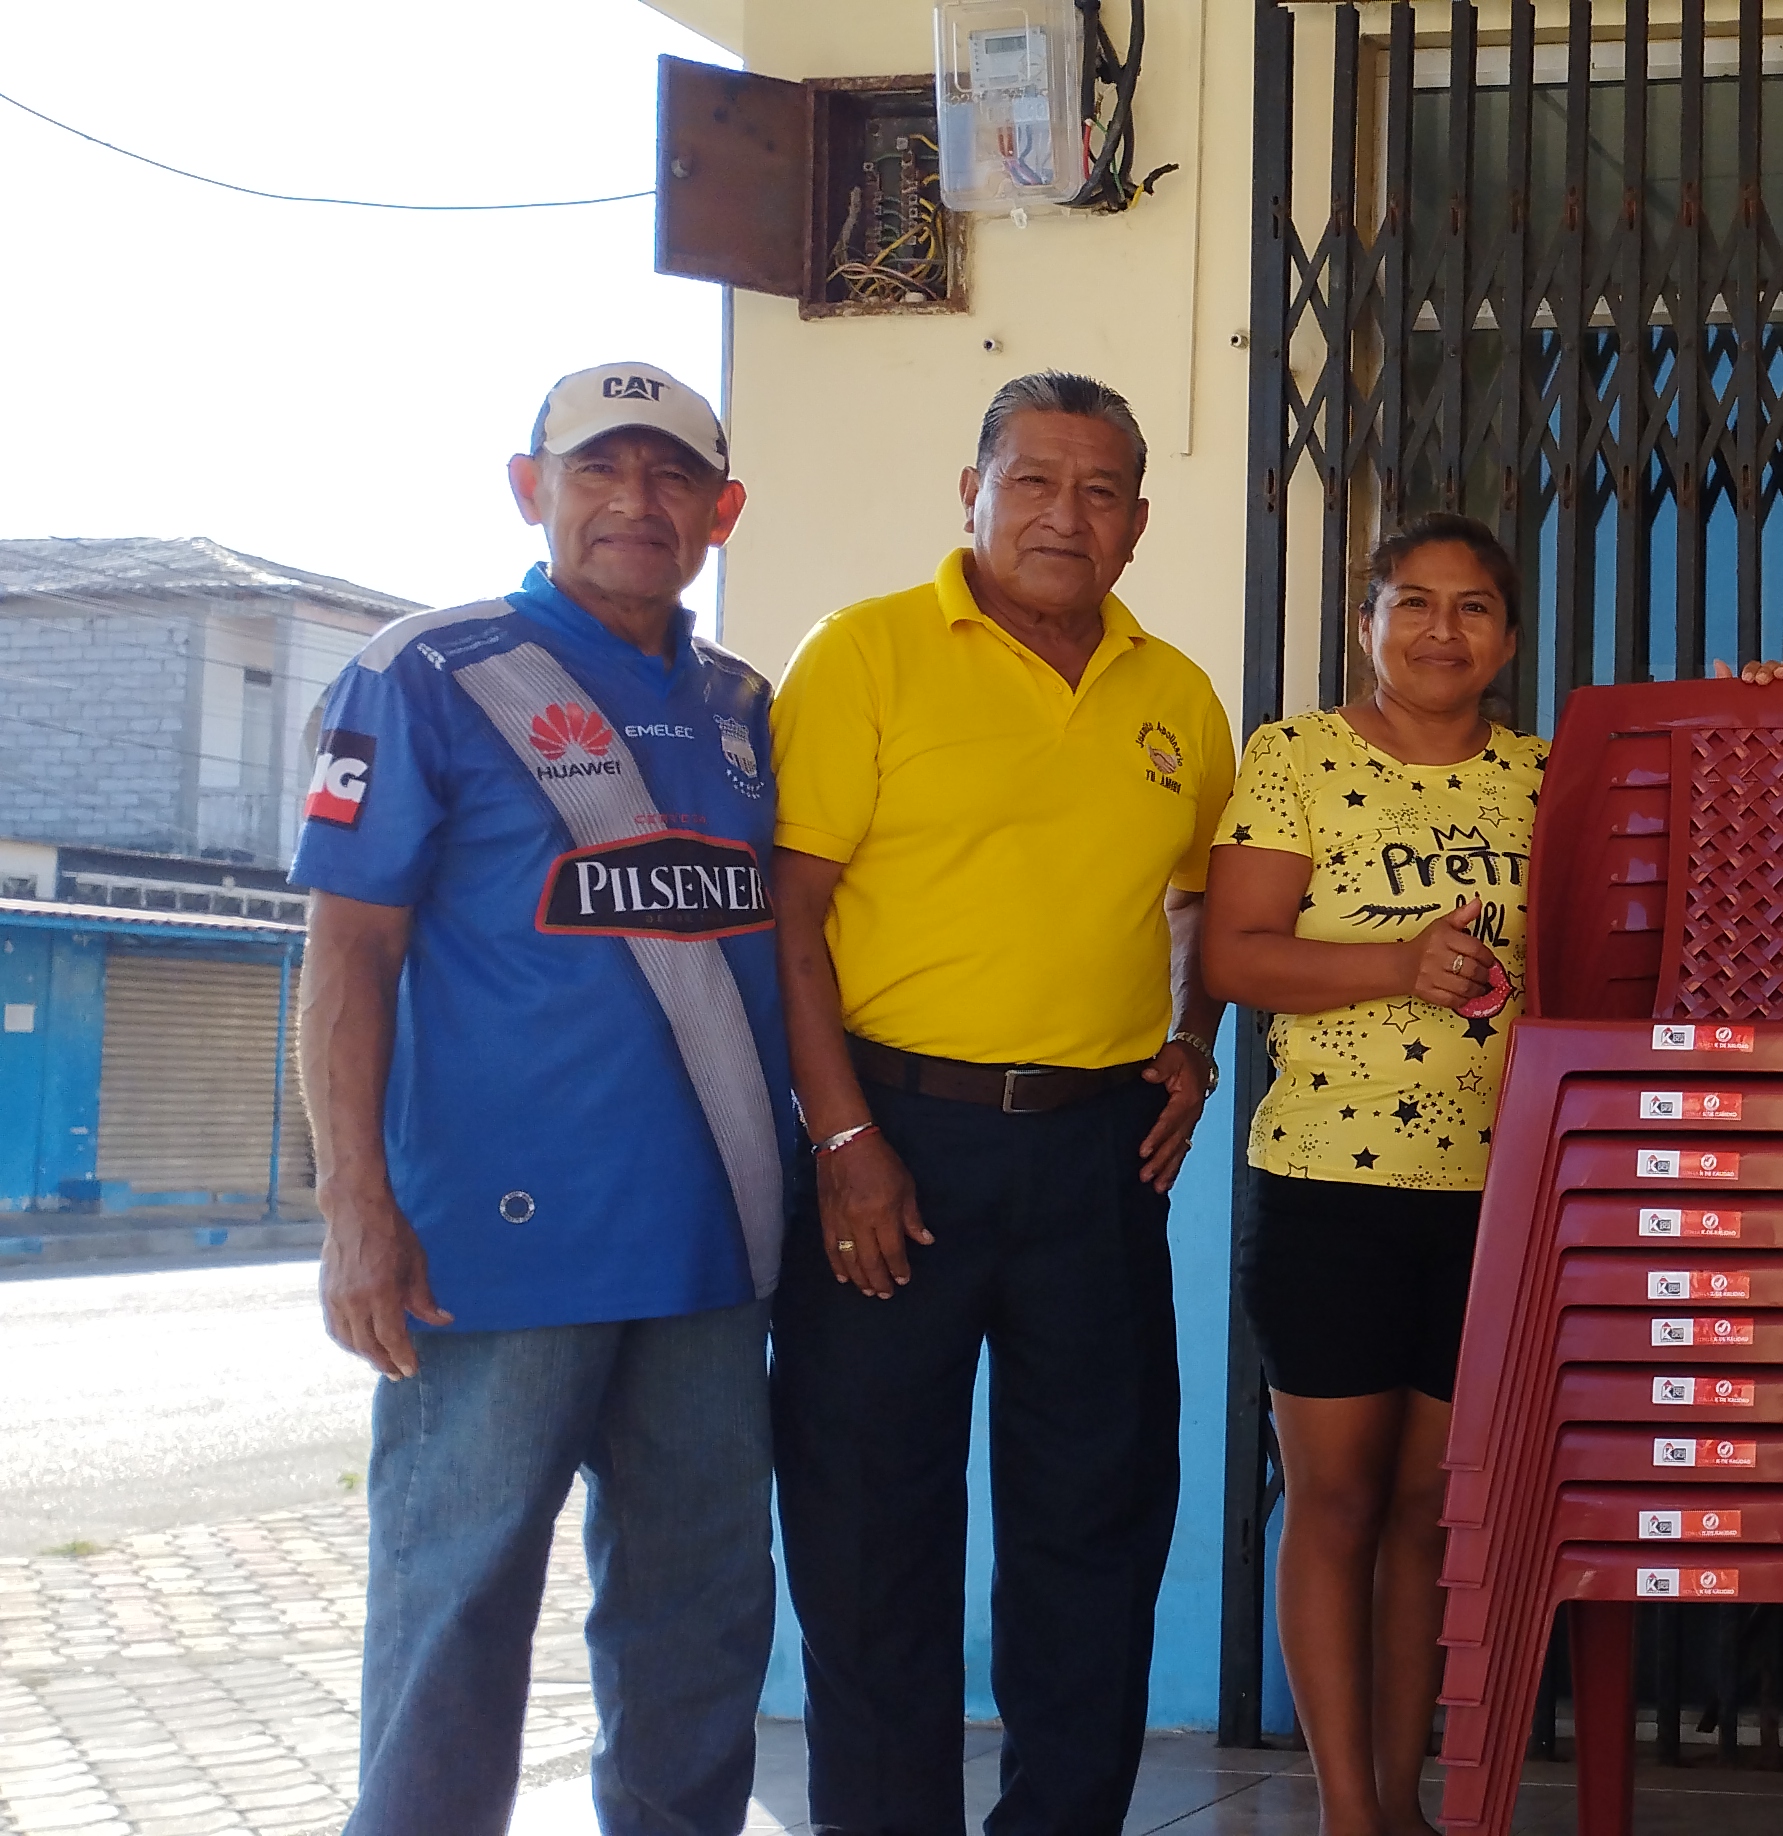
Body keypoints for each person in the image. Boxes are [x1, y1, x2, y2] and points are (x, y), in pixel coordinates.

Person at [294, 362, 792, 1836]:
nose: (637, 502)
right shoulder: (428, 674)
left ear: (722, 511)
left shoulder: (745, 704)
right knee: (457, 1610)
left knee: (701, 1616)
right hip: (490, 1255)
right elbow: (348, 952)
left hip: (711, 1254)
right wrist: (352, 1203)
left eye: (672, 476)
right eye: (598, 470)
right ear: (532, 490)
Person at [765, 371, 1236, 1834]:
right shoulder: (866, 651)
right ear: (972, 494)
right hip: (893, 1141)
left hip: (1100, 1158)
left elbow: (1201, 905)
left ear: (1139, 522)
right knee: (869, 1528)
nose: (1062, 516)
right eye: (1031, 481)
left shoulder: (1177, 695)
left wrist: (1193, 1039)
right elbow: (789, 914)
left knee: (1096, 1523)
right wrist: (843, 1138)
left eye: (1099, 491)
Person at [1196, 513, 1540, 1835]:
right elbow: (1236, 955)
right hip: (1329, 1188)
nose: (1441, 630)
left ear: (1507, 641)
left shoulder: (1550, 776)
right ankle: (1349, 1811)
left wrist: (1761, 701)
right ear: (1367, 626)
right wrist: (1400, 964)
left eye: (1472, 607)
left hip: (1498, 1198)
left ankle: (1404, 1804)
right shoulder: (1296, 758)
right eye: (1412, 603)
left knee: (1429, 1510)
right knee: (1336, 1500)